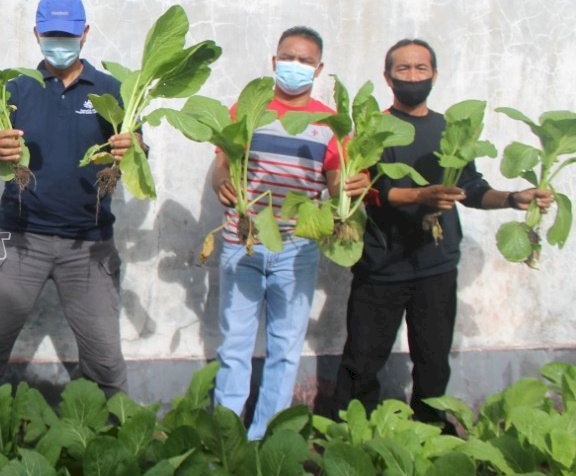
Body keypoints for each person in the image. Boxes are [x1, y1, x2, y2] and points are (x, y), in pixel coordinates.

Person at [328, 39, 552, 427]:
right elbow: (366, 189)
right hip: (382, 262)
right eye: (403, 70)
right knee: (362, 358)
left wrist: (516, 197)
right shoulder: (372, 127)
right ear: (387, 77)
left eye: (421, 69)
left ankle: (430, 431)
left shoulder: (450, 128)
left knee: (433, 359)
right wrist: (419, 195)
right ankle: (352, 434)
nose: (412, 76)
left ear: (434, 75)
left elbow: (473, 189)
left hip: (436, 264)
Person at [0, 0, 136, 407]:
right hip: (17, 240)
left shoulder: (111, 90)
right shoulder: (14, 89)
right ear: (36, 33)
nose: (59, 42)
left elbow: (137, 154)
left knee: (105, 364)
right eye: (50, 33)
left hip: (89, 245)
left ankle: (112, 452)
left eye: (68, 34)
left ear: (85, 34)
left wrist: (132, 147)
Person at [210, 26, 366, 441]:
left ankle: (265, 437)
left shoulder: (329, 124)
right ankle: (224, 436)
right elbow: (221, 165)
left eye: (305, 60)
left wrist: (350, 190)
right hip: (243, 240)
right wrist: (220, 182)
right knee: (234, 346)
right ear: (273, 61)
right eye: (288, 57)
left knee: (284, 349)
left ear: (319, 68)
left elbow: (335, 186)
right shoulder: (246, 110)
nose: (295, 66)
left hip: (296, 250)